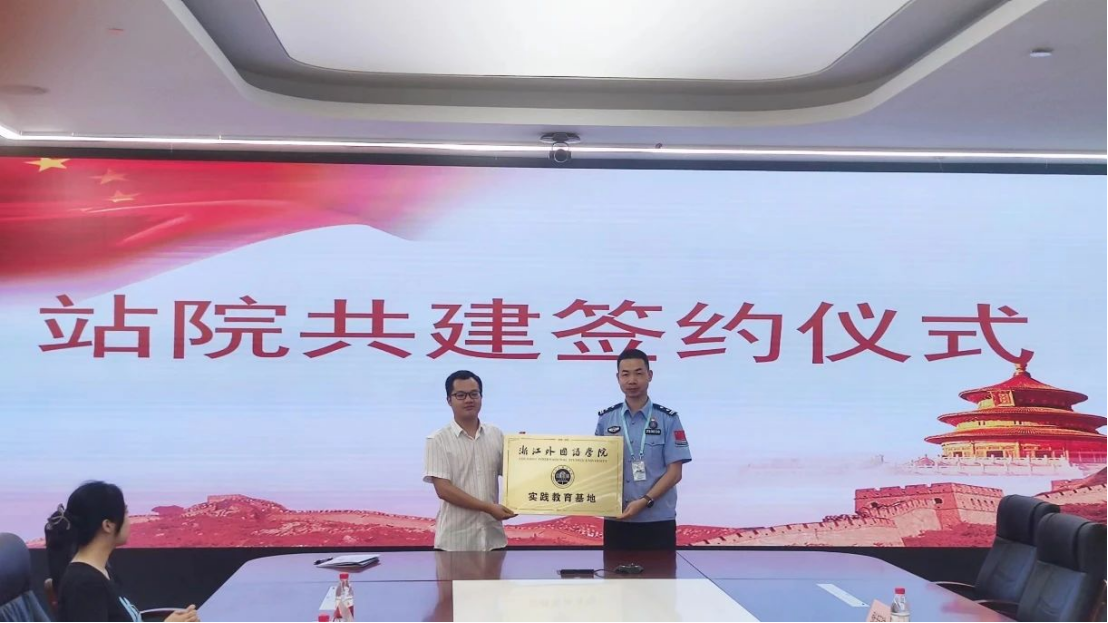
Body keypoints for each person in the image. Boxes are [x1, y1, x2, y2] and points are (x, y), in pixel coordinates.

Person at [43, 481, 199, 622]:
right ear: (108, 525)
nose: (128, 520)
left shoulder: (102, 570)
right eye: (125, 512)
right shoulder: (84, 585)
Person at [595, 349, 692, 550]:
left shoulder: (668, 419)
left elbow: (675, 473)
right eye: (625, 374)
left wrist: (645, 500)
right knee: (615, 571)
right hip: (617, 517)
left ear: (650, 375)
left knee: (660, 571)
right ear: (618, 378)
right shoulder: (606, 419)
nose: (632, 380)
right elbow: (595, 467)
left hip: (658, 519)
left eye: (639, 373)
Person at [423, 370, 516, 551]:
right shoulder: (437, 440)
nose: (468, 400)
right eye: (460, 395)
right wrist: (487, 507)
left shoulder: (496, 434)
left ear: (481, 397)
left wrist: (522, 451)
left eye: (474, 394)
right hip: (455, 544)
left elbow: (512, 473)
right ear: (449, 400)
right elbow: (443, 490)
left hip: (493, 540)